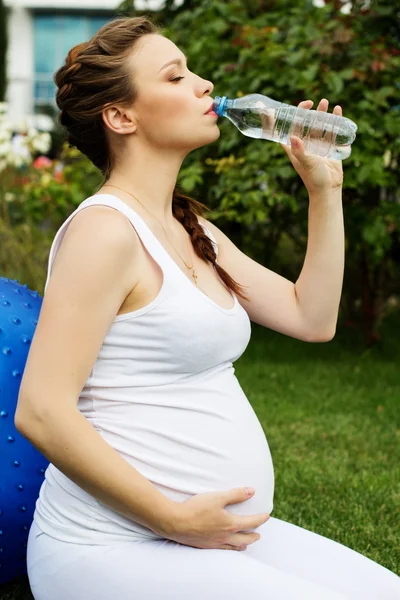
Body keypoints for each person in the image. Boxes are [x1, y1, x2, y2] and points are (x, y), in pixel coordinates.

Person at [15, 15, 399, 600]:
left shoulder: (194, 230)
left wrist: (325, 193)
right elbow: (41, 410)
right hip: (112, 547)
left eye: (192, 70)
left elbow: (312, 318)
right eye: (175, 76)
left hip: (209, 534)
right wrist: (170, 518)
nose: (202, 85)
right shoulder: (104, 233)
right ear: (121, 116)